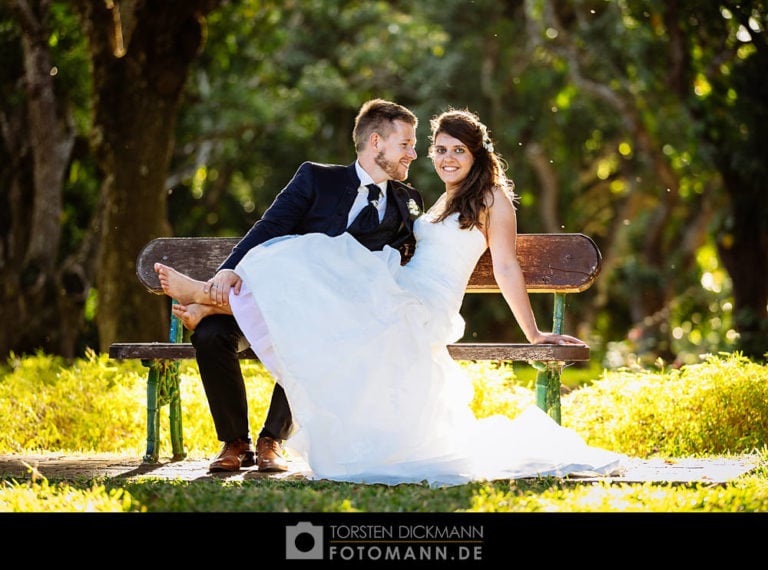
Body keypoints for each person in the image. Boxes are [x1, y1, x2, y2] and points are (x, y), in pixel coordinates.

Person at [157, 108, 626, 486]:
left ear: (477, 153)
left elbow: (505, 266)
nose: (442, 158)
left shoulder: (489, 199)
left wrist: (533, 332)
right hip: (397, 288)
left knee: (331, 284)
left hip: (421, 303)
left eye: (456, 151)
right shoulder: (437, 198)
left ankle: (207, 298)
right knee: (317, 259)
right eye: (436, 149)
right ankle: (212, 305)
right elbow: (272, 229)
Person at [162, 99, 424, 473]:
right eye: (406, 144)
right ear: (377, 142)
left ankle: (272, 440)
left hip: (328, 318)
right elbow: (270, 227)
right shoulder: (316, 178)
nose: (413, 154)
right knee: (210, 335)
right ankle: (235, 441)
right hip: (273, 297)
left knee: (316, 331)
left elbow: (410, 251)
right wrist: (228, 270)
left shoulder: (408, 201)